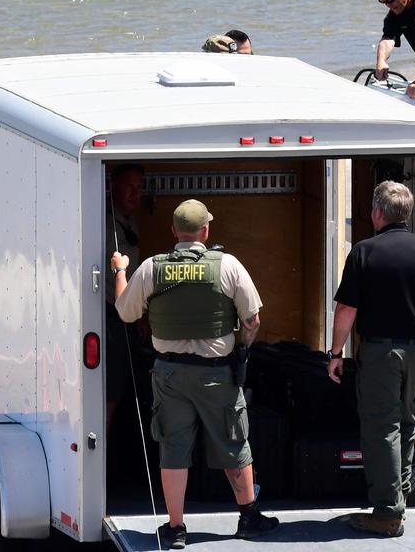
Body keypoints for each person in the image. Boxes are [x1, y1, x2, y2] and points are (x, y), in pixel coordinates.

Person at [113, 199, 278, 548]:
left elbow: (125, 312)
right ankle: (248, 517)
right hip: (217, 374)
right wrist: (242, 345)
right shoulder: (228, 265)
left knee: (173, 448)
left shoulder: (151, 269)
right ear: (206, 230)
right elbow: (252, 320)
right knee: (234, 441)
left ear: (174, 232)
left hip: (169, 374)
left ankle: (175, 529)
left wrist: (119, 271)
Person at [327, 181, 415, 538]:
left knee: (382, 428)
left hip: (382, 353)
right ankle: (400, 498)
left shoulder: (364, 252)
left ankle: (387, 513)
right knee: (406, 421)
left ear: (377, 212)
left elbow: (347, 308)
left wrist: (336, 354)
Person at [105, 164, 145, 430]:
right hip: (109, 314)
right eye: (129, 187)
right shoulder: (104, 224)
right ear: (112, 188)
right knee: (112, 389)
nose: (136, 194)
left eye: (139, 188)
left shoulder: (129, 223)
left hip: (128, 314)